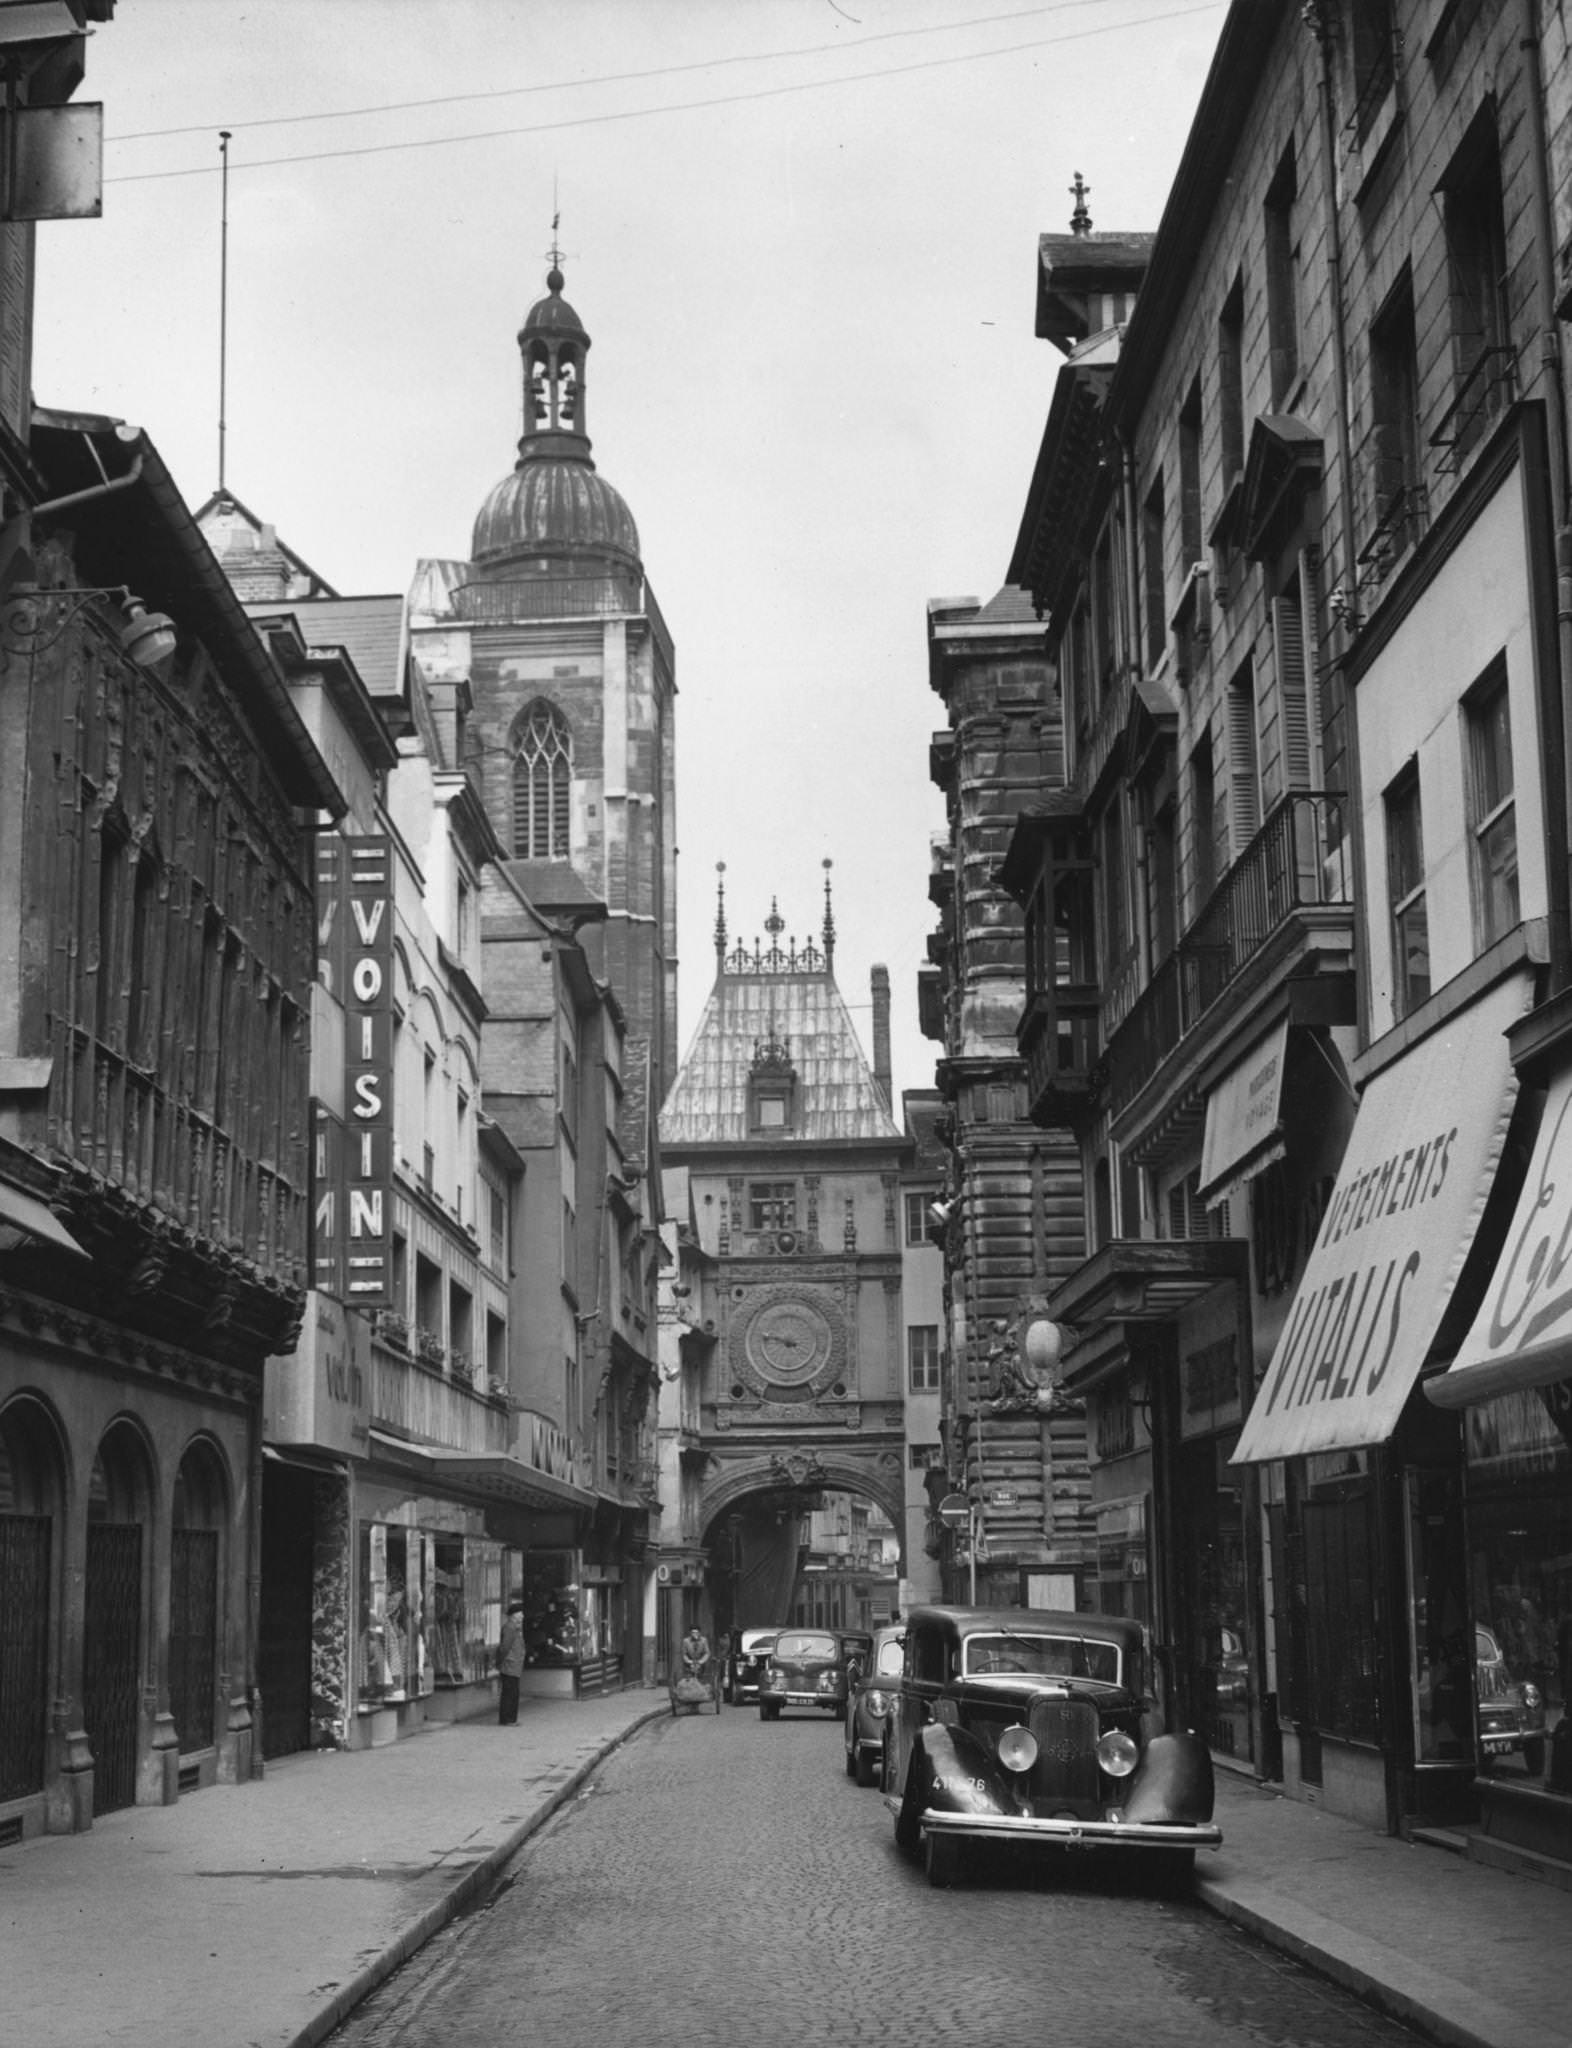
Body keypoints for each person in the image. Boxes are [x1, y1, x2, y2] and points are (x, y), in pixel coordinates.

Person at [497, 1599, 526, 1724]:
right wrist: (500, 1662)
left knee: (513, 1693)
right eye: (521, 1613)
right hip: (509, 1665)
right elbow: (505, 1647)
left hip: (514, 1665)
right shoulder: (510, 1628)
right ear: (514, 1615)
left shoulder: (515, 1628)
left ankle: (511, 1718)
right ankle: (507, 1719)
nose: (523, 1616)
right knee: (509, 1693)